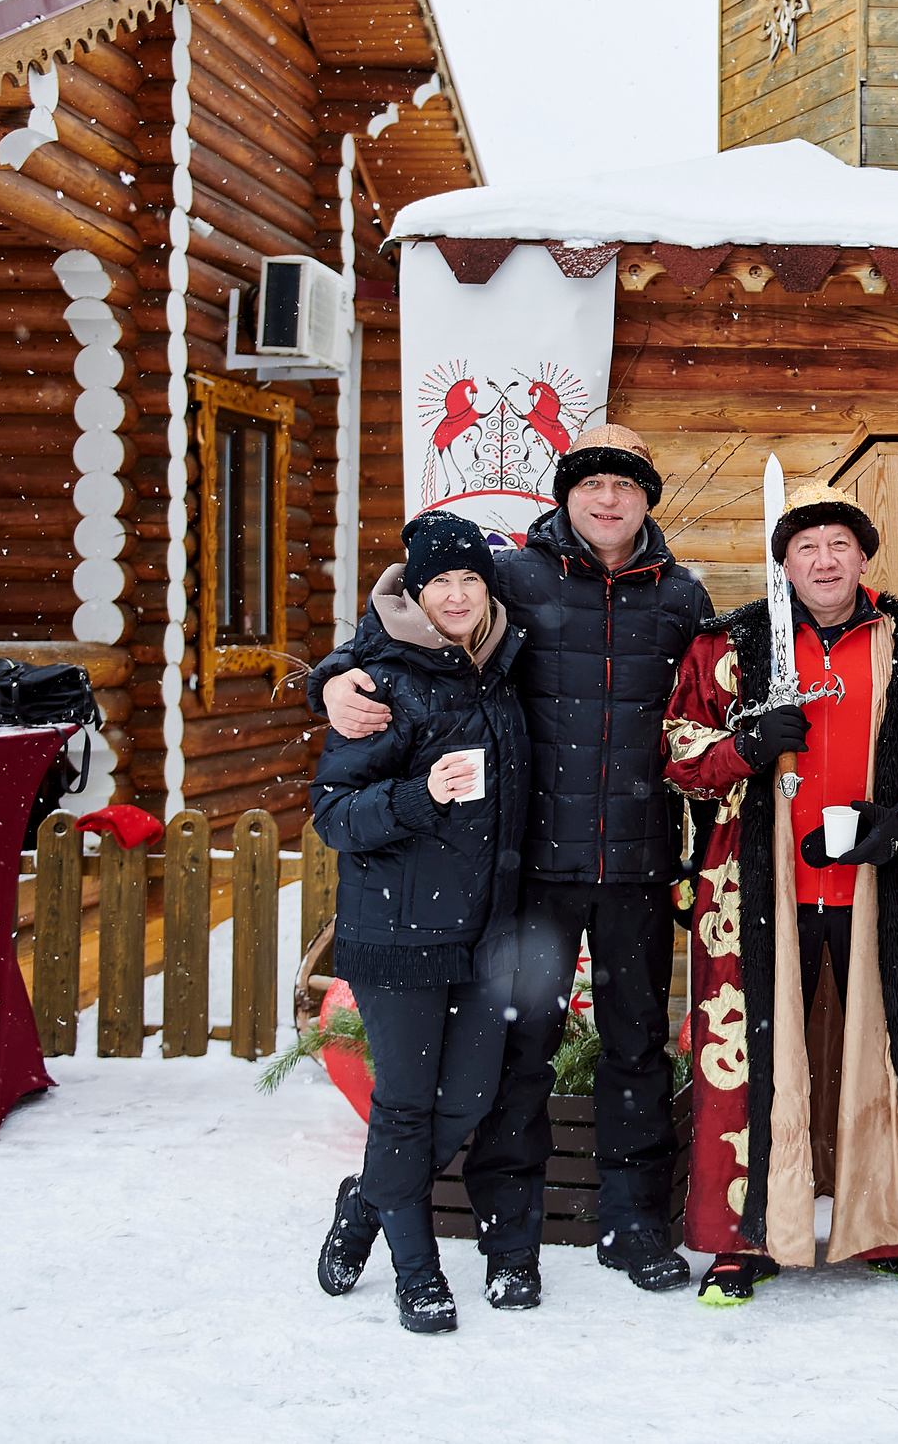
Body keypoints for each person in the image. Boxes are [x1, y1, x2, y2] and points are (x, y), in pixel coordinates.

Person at [314, 424, 713, 1304]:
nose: (608, 501)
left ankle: (633, 1224)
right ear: (565, 496)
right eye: (591, 485)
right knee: (522, 1054)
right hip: (530, 870)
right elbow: (403, 634)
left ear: (648, 499)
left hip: (640, 866)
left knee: (637, 1049)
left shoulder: (681, 597)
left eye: (627, 486)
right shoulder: (518, 578)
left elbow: (718, 695)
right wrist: (332, 678)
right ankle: (511, 1240)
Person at [662, 481, 898, 1306]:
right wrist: (745, 744)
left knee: (894, 1053)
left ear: (864, 554)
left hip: (880, 885)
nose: (825, 559)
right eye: (806, 546)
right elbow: (677, 750)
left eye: (839, 543)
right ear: (785, 563)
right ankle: (748, 1237)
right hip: (757, 888)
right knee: (758, 1062)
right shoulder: (731, 645)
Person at [308, 511, 531, 1334]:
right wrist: (417, 795)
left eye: (471, 578)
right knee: (403, 1106)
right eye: (441, 581)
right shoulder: (375, 679)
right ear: (415, 590)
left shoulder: (500, 668)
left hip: (482, 933)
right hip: (398, 934)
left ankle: (365, 1202)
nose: (459, 593)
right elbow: (333, 812)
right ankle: (416, 1271)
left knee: (468, 1098)